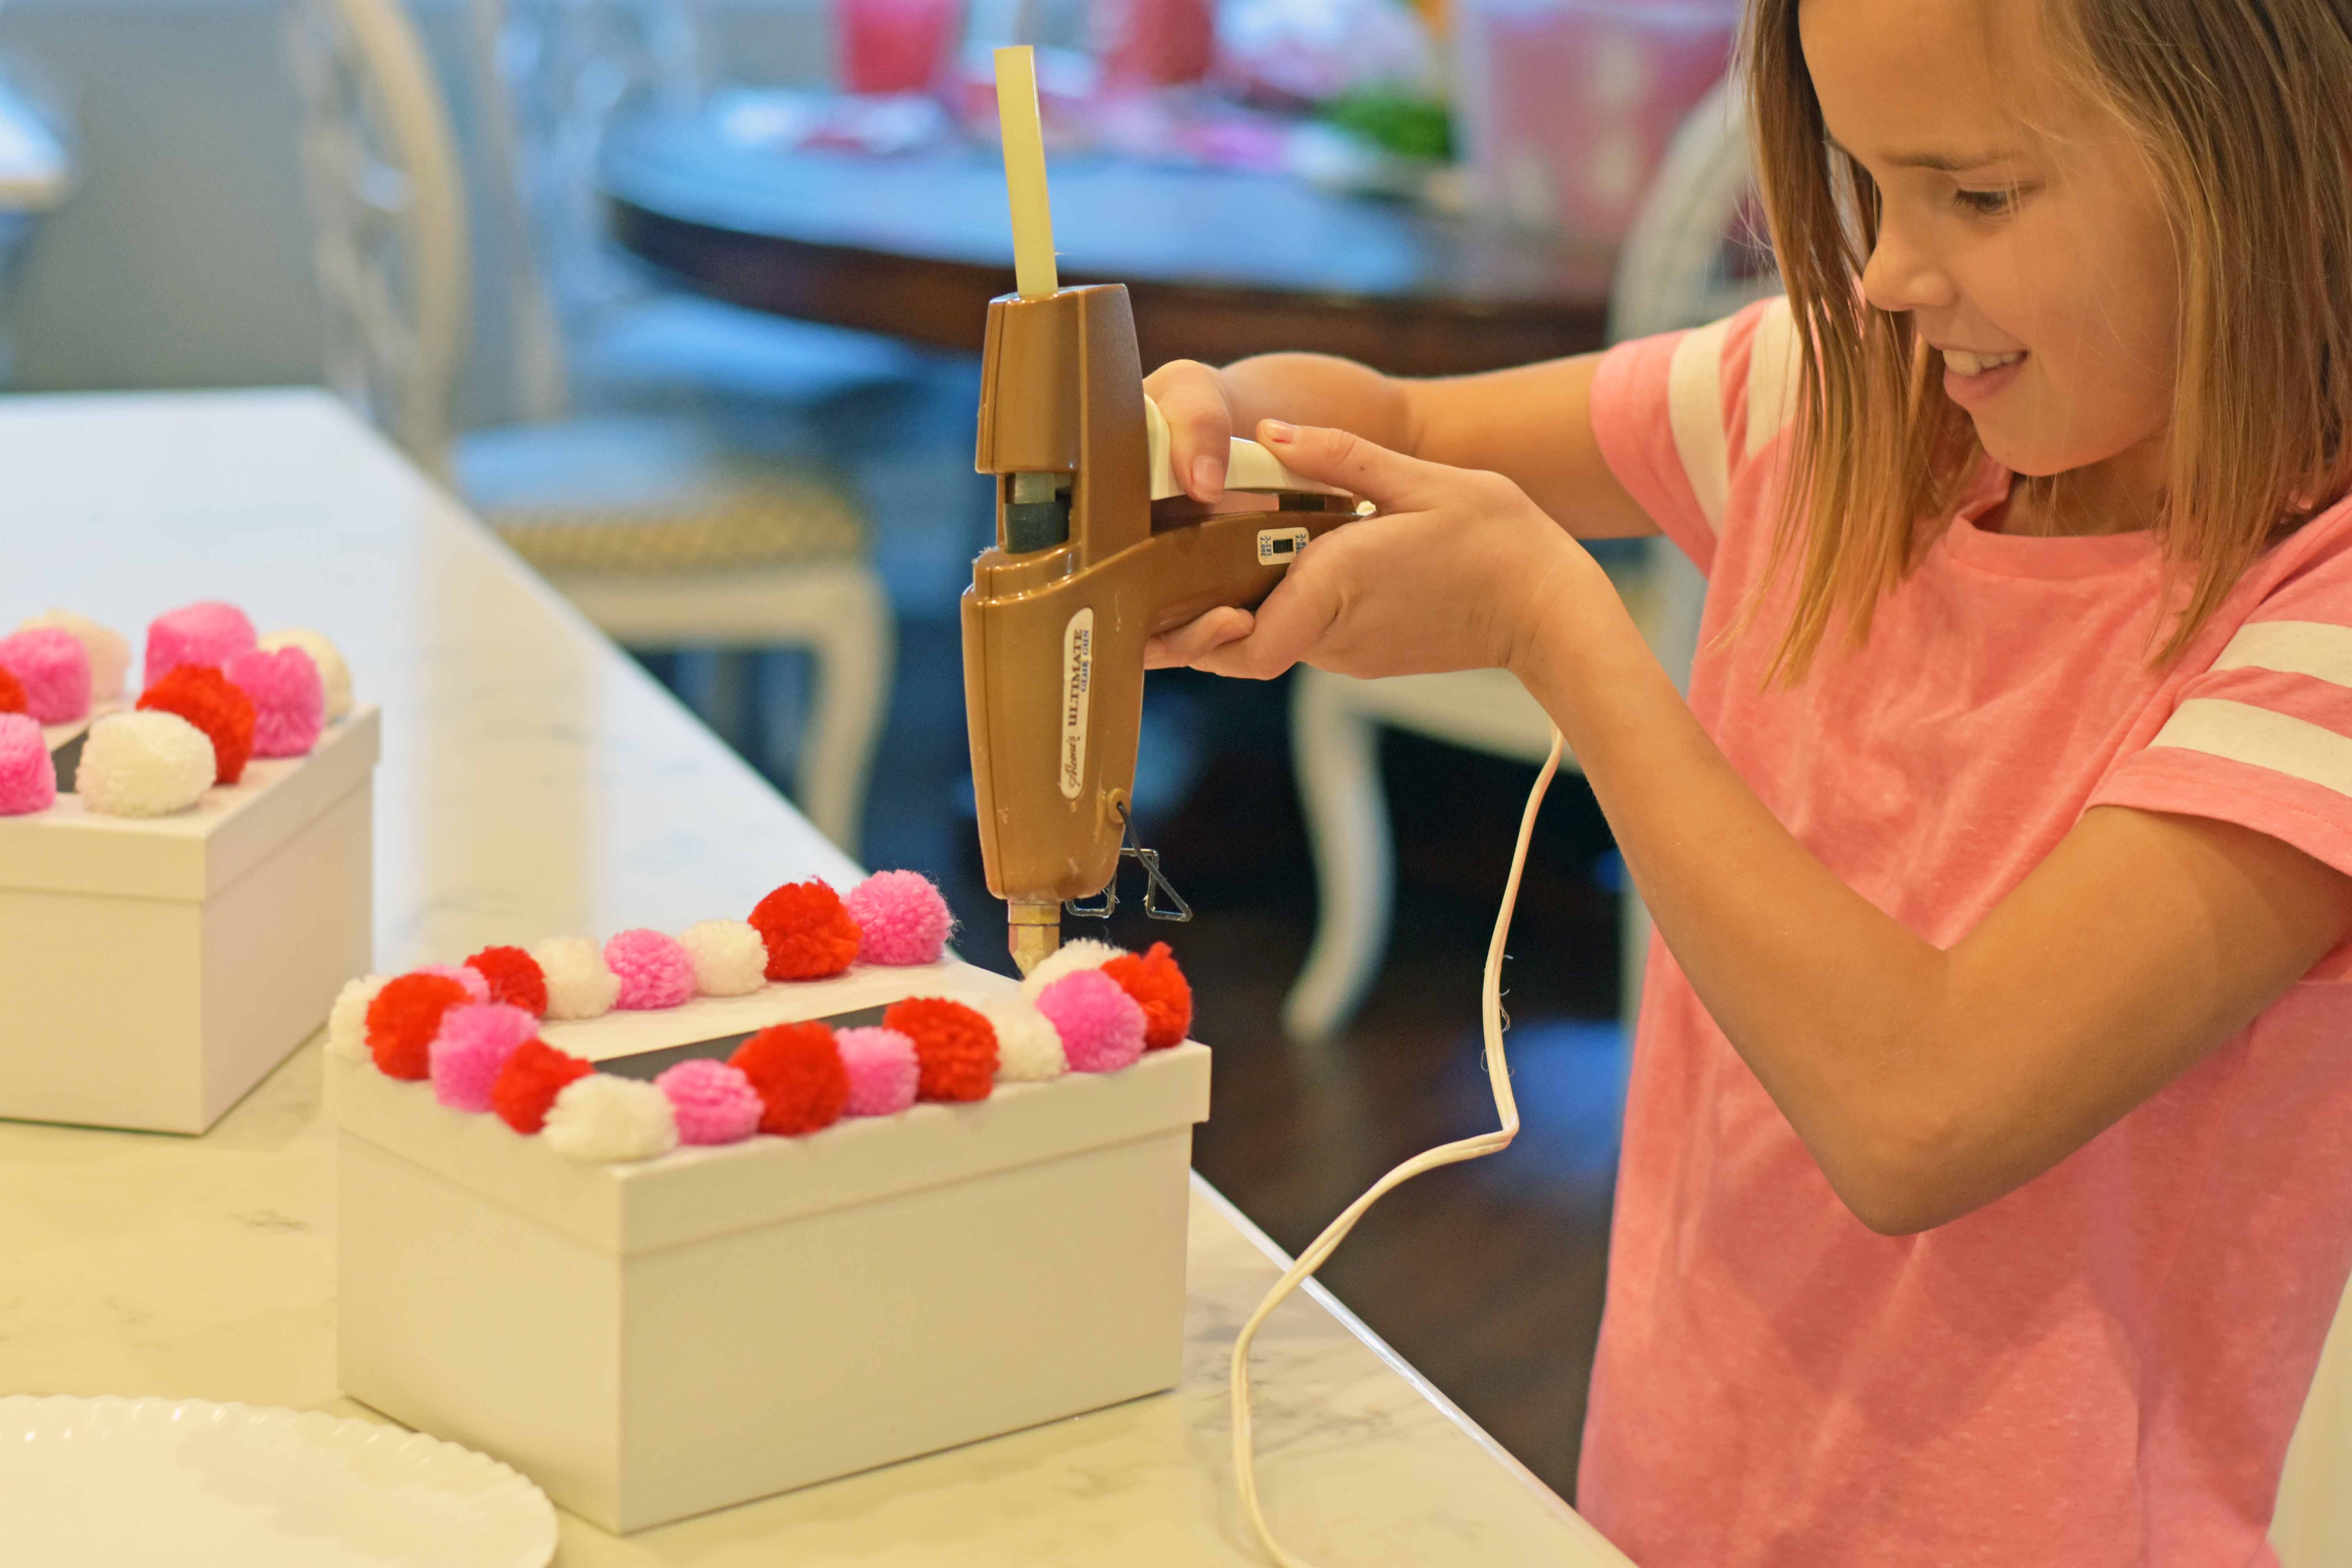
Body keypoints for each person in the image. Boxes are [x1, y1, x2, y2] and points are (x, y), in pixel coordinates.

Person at [1144, 0, 2352, 1561]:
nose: (1889, 275)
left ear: (2264, 166)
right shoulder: (1838, 404)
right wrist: (1233, 427)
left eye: (1975, 195)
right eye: (1866, 184)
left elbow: (1922, 1109)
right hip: (1677, 1493)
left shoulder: (2316, 627)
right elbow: (1411, 428)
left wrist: (1560, 634)